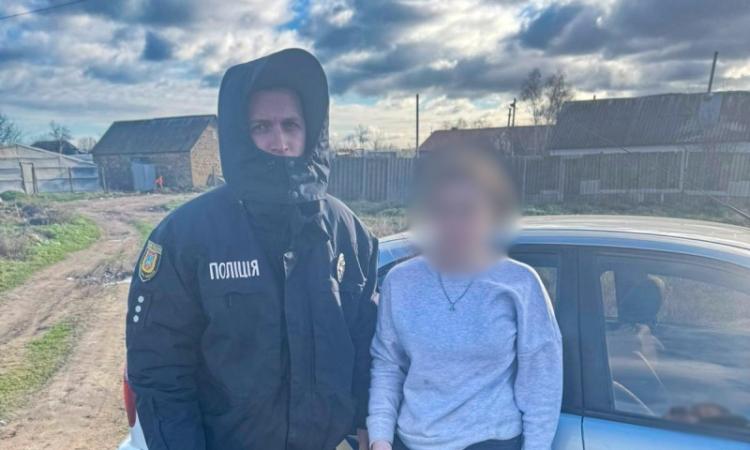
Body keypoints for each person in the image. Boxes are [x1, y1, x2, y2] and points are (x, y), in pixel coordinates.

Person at [126, 48, 378, 450]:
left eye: (290, 124)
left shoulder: (347, 232)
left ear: (311, 130)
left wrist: (367, 421)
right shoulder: (185, 237)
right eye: (262, 126)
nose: (279, 142)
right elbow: (160, 371)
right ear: (240, 134)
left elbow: (367, 345)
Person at [367, 147, 563, 450]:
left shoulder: (519, 283)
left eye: (467, 210)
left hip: (490, 441)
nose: (454, 223)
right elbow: (388, 364)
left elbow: (541, 380)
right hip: (412, 441)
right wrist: (380, 438)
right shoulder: (400, 282)